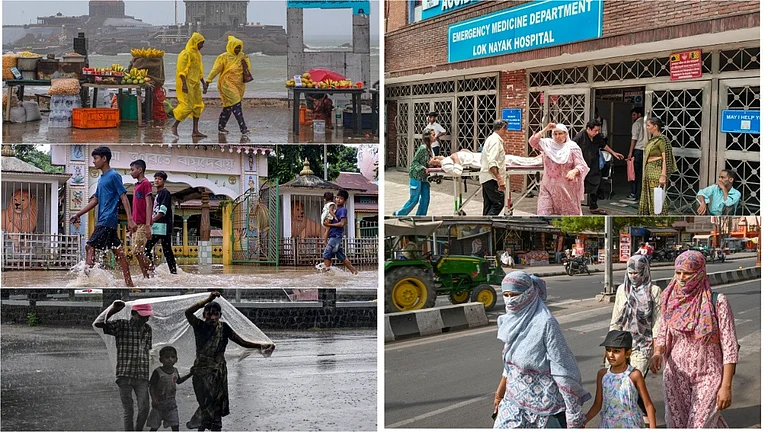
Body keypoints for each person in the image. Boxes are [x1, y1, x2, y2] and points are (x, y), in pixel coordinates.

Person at [649, 250, 739, 428]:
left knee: (699, 424)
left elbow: (729, 346)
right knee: (677, 424)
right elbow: (663, 331)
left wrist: (726, 386)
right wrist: (658, 352)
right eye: (678, 272)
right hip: (676, 374)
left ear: (699, 273)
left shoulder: (718, 302)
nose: (682, 278)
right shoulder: (669, 299)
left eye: (688, 273)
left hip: (709, 374)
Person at [493, 271, 590, 428]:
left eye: (515, 294)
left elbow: (563, 370)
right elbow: (509, 364)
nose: (510, 300)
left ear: (529, 293)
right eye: (506, 294)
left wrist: (573, 415)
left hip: (544, 409)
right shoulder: (510, 321)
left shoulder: (546, 323)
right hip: (514, 404)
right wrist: (499, 394)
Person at [185, 292, 275, 431]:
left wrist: (261, 345)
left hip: (218, 372)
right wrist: (208, 300)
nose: (212, 317)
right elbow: (188, 312)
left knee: (216, 404)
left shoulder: (224, 328)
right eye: (209, 313)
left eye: (216, 314)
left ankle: (213, 427)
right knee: (204, 403)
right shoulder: (199, 326)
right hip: (201, 372)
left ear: (220, 315)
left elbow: (242, 342)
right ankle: (201, 426)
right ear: (203, 315)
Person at [69, 146, 136, 287]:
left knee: (89, 246)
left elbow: (123, 197)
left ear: (104, 159)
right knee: (119, 253)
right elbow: (95, 200)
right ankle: (130, 283)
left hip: (107, 219)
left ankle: (86, 281)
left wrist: (130, 219)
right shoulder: (101, 179)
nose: (93, 161)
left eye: (96, 158)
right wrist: (78, 214)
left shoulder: (113, 176)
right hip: (106, 221)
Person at [95, 301, 153, 431]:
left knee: (144, 408)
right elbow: (98, 323)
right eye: (142, 316)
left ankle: (138, 429)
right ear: (133, 313)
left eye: (147, 316)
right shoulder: (122, 325)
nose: (145, 319)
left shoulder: (148, 329)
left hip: (142, 374)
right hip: (125, 373)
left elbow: (147, 350)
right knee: (129, 409)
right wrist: (112, 310)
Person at [584, 330, 657, 428]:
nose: (610, 355)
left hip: (630, 425)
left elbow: (648, 405)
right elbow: (597, 404)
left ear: (628, 353)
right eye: (608, 350)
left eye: (616, 351)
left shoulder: (634, 375)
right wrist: (583, 421)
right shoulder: (602, 374)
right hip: (608, 425)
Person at [608, 255, 661, 376]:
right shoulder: (622, 290)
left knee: (634, 385)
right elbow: (615, 320)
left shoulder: (654, 291)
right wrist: (609, 346)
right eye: (630, 272)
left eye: (636, 272)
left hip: (642, 347)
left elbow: (657, 323)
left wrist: (657, 352)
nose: (633, 276)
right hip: (620, 345)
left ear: (644, 271)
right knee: (615, 385)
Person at [528, 123, 590, 215]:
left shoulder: (572, 148)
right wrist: (546, 129)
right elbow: (532, 141)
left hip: (566, 190)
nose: (558, 136)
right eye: (555, 134)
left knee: (567, 219)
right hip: (547, 187)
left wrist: (574, 171)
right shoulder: (547, 145)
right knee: (543, 214)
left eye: (560, 134)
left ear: (566, 134)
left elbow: (581, 165)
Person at [573, 120, 624, 215]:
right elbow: (571, 148)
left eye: (598, 131)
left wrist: (613, 153)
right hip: (582, 165)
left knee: (596, 183)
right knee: (579, 185)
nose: (597, 133)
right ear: (588, 129)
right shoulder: (580, 137)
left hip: (594, 164)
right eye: (595, 131)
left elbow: (604, 145)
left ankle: (593, 206)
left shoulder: (597, 137)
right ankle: (575, 206)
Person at [206, 35, 251, 136]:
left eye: (239, 47)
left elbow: (248, 67)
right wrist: (208, 80)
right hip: (226, 84)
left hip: (239, 85)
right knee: (236, 104)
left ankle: (221, 126)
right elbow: (216, 69)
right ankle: (243, 128)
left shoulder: (241, 55)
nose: (238, 49)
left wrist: (246, 62)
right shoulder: (223, 57)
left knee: (228, 106)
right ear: (231, 46)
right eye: (236, 47)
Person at [638, 117, 678, 215]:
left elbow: (666, 158)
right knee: (649, 197)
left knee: (656, 198)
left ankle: (658, 216)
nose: (647, 128)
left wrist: (663, 175)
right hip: (649, 172)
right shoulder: (653, 140)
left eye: (649, 126)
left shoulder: (662, 140)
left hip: (656, 172)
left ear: (655, 126)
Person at [171, 32, 208, 137]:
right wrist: (184, 84)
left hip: (195, 84)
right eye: (201, 43)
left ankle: (195, 131)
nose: (202, 46)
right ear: (195, 42)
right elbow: (182, 70)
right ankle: (174, 125)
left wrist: (203, 83)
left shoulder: (197, 54)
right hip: (186, 83)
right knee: (187, 106)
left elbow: (199, 71)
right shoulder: (186, 54)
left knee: (197, 106)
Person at [147, 346, 192, 432]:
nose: (170, 359)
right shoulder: (158, 372)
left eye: (172, 357)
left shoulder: (175, 371)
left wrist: (190, 374)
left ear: (176, 359)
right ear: (161, 360)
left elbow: (178, 381)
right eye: (167, 357)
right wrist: (154, 398)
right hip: (158, 405)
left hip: (171, 406)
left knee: (175, 426)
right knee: (154, 427)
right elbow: (151, 386)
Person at [393, 129, 432, 216]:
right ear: (428, 137)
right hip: (416, 175)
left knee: (426, 198)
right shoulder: (422, 148)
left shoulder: (430, 149)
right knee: (414, 199)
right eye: (433, 135)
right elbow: (414, 162)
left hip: (424, 177)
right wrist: (422, 167)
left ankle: (420, 216)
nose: (434, 137)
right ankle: (399, 214)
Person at [145, 172, 177, 275]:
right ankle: (172, 272)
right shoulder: (158, 194)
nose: (156, 180)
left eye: (159, 179)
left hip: (162, 226)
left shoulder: (165, 193)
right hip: (158, 225)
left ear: (164, 181)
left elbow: (162, 211)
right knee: (166, 250)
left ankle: (152, 270)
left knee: (148, 248)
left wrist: (152, 220)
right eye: (155, 178)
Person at [322, 189, 359, 274]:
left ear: (345, 201)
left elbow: (342, 224)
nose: (338, 200)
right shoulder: (335, 210)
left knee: (326, 254)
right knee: (341, 256)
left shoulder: (342, 210)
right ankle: (354, 272)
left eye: (341, 198)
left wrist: (329, 225)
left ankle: (327, 275)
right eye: (337, 197)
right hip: (334, 236)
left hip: (336, 236)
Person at [129, 159, 154, 279]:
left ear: (140, 170)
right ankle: (146, 276)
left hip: (143, 223)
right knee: (136, 253)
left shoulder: (146, 183)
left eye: (132, 170)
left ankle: (151, 268)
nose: (131, 172)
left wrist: (148, 224)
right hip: (136, 224)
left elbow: (149, 204)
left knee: (138, 251)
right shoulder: (136, 185)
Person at [480, 119, 507, 216]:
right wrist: (499, 179)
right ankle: (488, 225)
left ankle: (484, 227)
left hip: (486, 177)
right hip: (491, 178)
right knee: (498, 203)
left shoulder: (491, 139)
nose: (506, 132)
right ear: (503, 128)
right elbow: (492, 162)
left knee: (488, 205)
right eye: (505, 129)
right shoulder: (495, 141)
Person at [626, 107, 646, 201]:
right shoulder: (647, 123)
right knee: (644, 173)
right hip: (645, 151)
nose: (632, 117)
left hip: (637, 150)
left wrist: (630, 153)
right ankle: (644, 194)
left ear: (639, 114)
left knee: (635, 173)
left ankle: (634, 193)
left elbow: (634, 139)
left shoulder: (636, 124)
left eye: (634, 114)